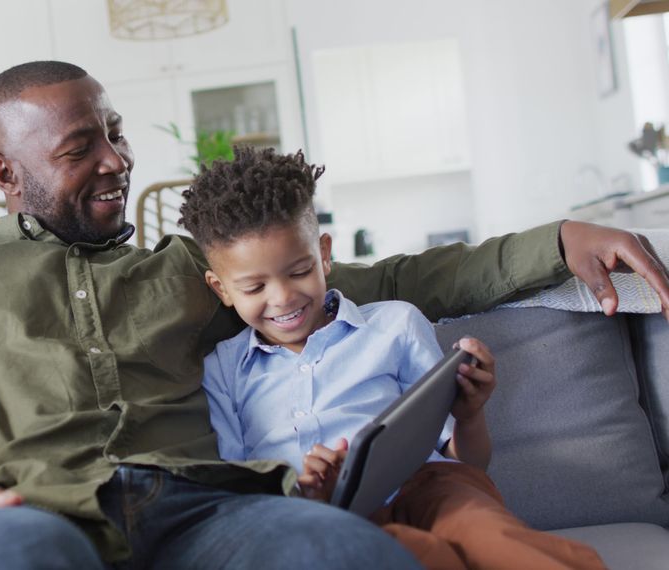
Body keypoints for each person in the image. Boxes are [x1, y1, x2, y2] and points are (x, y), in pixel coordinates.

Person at [0, 61, 669, 570]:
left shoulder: (187, 274)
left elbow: (388, 275)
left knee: (345, 556)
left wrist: (554, 242)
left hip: (198, 510)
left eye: (115, 133)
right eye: (81, 146)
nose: (117, 160)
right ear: (7, 175)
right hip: (28, 513)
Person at [181, 147, 606, 569]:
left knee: (494, 540)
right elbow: (238, 495)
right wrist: (302, 491)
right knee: (417, 556)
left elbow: (470, 463)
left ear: (324, 254)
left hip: (428, 487)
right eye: (254, 288)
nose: (283, 297)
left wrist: (471, 415)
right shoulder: (223, 369)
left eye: (298, 272)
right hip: (317, 517)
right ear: (221, 289)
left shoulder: (394, 325)